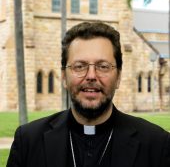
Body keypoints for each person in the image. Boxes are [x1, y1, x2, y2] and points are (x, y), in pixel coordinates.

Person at [7, 21, 170, 167]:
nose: (91, 76)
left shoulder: (157, 144)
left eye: (103, 66)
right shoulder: (28, 141)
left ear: (118, 77)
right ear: (64, 77)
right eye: (79, 66)